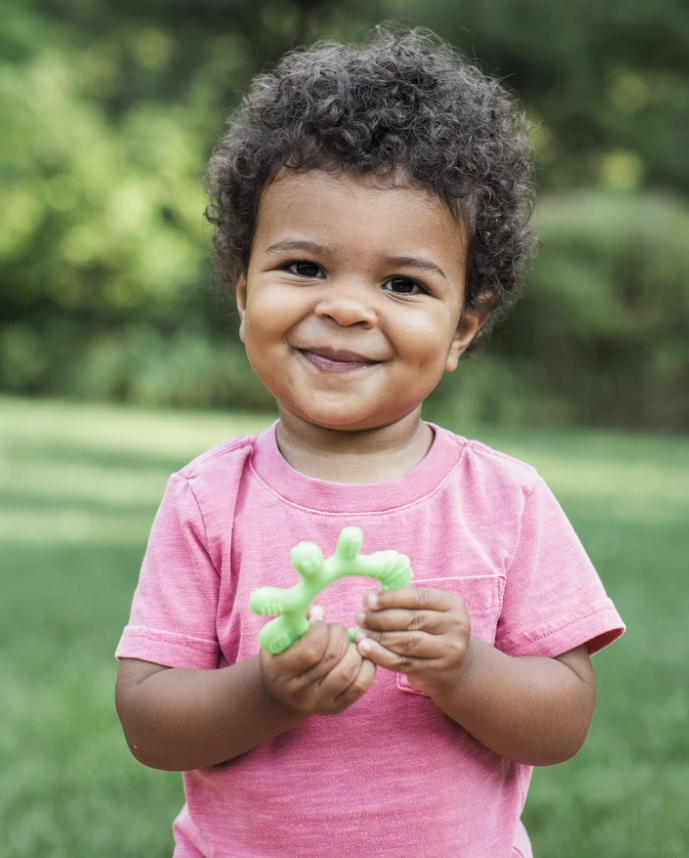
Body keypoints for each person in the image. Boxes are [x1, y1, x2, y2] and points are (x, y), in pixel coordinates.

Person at [115, 28, 625, 858]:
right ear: (244, 289)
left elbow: (564, 717)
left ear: (464, 325)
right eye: (305, 268)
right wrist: (267, 692)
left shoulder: (507, 500)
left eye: (402, 283)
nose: (348, 308)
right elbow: (148, 721)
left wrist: (467, 671)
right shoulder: (208, 500)